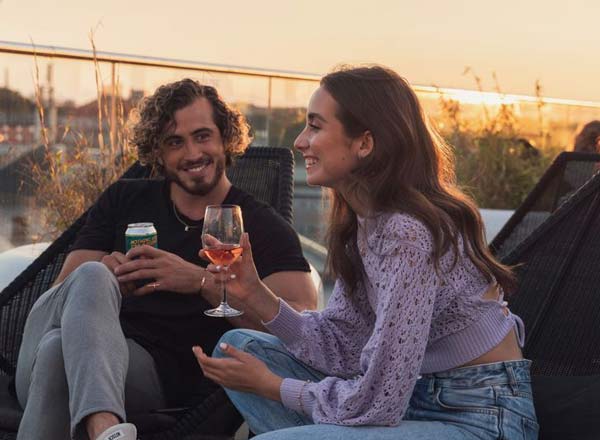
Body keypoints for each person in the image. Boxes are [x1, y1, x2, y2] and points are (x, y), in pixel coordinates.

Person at [194, 65, 538, 439]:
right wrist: (257, 296)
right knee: (240, 346)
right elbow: (345, 346)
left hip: (480, 417)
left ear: (364, 143)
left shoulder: (408, 233)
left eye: (316, 126)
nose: (300, 141)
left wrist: (273, 387)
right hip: (415, 400)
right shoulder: (365, 224)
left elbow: (381, 397)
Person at [14, 78, 317, 440]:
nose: (191, 153)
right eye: (175, 142)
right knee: (92, 278)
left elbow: (303, 336)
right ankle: (106, 427)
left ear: (225, 138)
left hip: (145, 375)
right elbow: (63, 291)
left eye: (202, 136)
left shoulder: (261, 227)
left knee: (55, 356)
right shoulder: (123, 199)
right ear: (158, 151)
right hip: (40, 353)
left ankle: (103, 426)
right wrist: (110, 282)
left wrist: (203, 283)